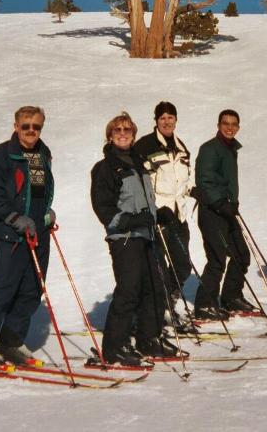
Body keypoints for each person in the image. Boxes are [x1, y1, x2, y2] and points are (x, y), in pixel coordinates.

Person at [0, 106, 56, 369]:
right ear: (16, 126)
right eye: (25, 126)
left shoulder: (42, 155)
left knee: (32, 290)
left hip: (38, 233)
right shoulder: (2, 156)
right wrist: (15, 219)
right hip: (11, 234)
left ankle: (10, 342)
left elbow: (39, 193)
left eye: (36, 126)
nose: (31, 131)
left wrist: (46, 213)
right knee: (4, 290)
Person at [90, 112, 179, 365]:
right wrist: (131, 220)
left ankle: (148, 338)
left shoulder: (138, 163)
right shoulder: (105, 167)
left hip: (147, 235)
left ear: (133, 134)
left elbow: (143, 201)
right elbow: (104, 208)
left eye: (127, 129)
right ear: (110, 135)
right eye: (117, 129)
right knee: (128, 290)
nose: (122, 133)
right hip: (125, 238)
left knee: (154, 287)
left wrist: (157, 214)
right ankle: (114, 347)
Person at [133, 101, 194, 329]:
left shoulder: (181, 147)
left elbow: (184, 178)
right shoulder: (145, 146)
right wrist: (155, 209)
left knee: (183, 265)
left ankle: (167, 302)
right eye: (162, 118)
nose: (167, 121)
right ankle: (157, 309)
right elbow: (141, 182)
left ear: (176, 120)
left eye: (171, 117)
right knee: (158, 266)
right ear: (156, 121)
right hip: (159, 216)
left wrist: (195, 191)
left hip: (178, 215)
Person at [193, 109, 254, 320]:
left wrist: (231, 203)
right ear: (218, 125)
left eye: (233, 124)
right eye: (225, 123)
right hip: (212, 211)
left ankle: (231, 297)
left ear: (238, 127)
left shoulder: (229, 149)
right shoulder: (210, 149)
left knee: (241, 254)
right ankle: (204, 305)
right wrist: (220, 202)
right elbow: (205, 179)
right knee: (217, 259)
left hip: (226, 210)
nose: (229, 127)